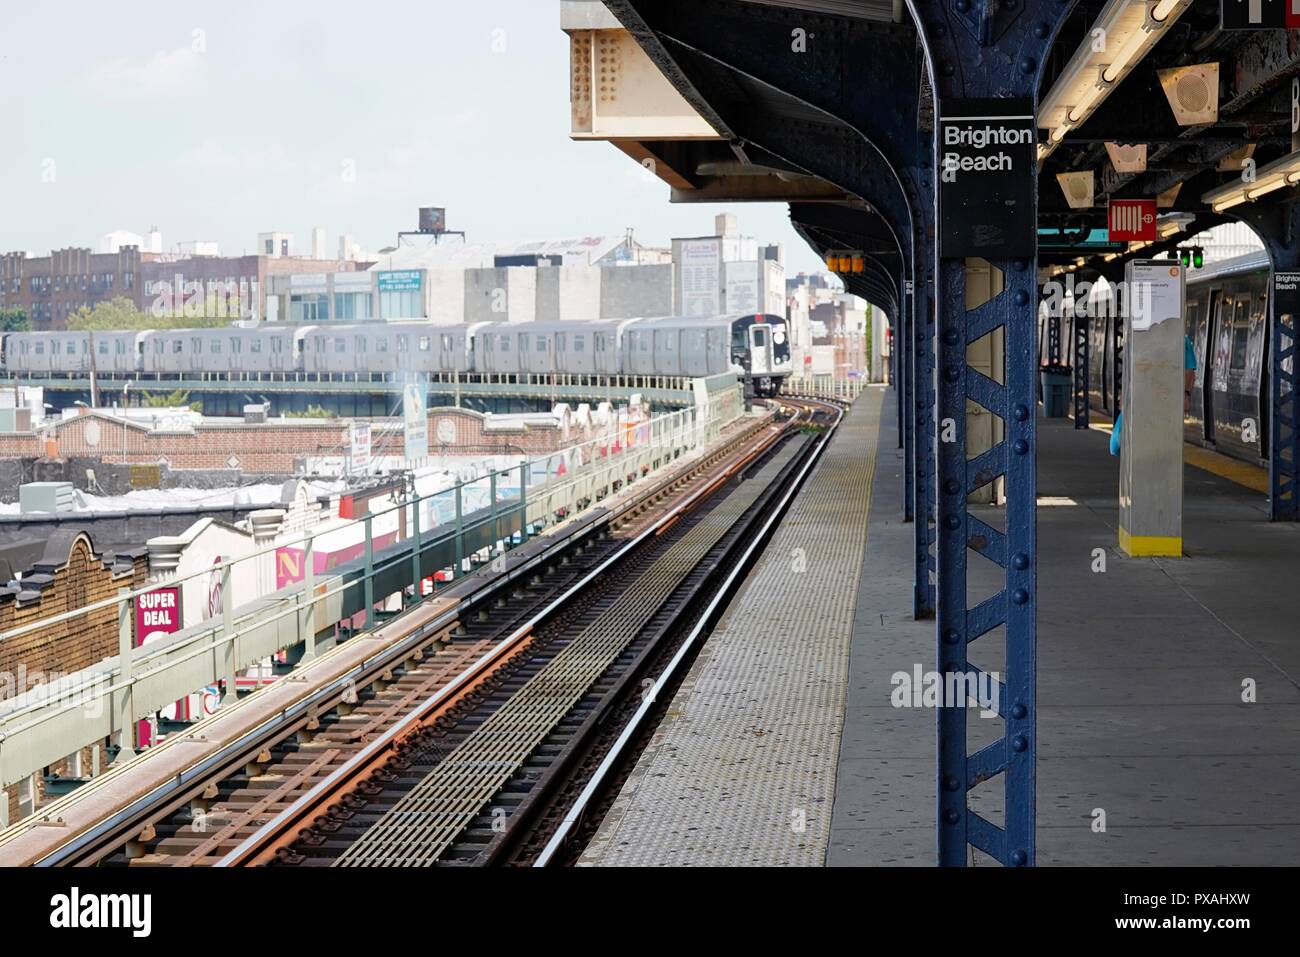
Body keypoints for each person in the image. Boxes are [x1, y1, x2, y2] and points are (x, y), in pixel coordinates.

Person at [1111, 334, 1197, 457]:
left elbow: (1189, 370)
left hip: (1165, 401)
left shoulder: (1179, 339)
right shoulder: (1138, 335)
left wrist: (1185, 393)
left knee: (1157, 448)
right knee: (1117, 445)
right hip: (1141, 399)